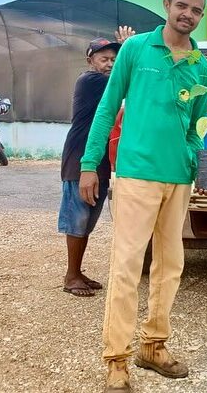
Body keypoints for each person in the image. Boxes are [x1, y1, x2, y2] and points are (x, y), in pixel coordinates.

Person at [78, 0, 207, 393]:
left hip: (178, 180)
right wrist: (90, 164)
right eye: (182, 6)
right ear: (167, 5)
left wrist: (200, 166)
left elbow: (196, 128)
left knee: (170, 266)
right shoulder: (136, 50)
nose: (188, 14)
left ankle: (153, 346)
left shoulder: (201, 67)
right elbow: (107, 108)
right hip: (137, 174)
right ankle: (117, 359)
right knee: (127, 266)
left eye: (196, 10)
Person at [59, 27, 135, 297]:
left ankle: (77, 272)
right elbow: (125, 80)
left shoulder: (105, 83)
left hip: (99, 161)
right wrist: (130, 50)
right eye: (104, 58)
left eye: (114, 58)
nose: (110, 63)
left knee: (88, 220)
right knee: (77, 219)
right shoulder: (89, 80)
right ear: (90, 60)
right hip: (80, 160)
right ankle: (70, 276)